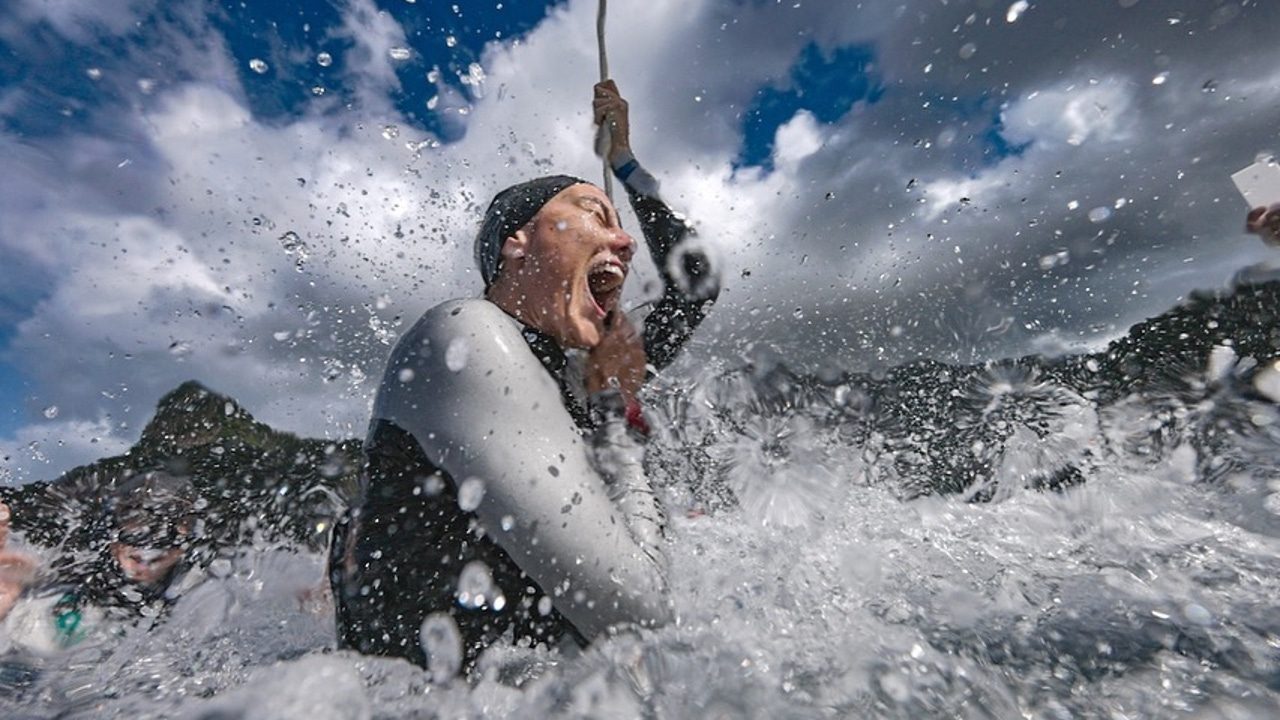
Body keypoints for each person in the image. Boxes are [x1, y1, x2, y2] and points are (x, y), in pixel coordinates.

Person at [330, 80, 719, 674]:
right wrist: (617, 442)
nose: (625, 240)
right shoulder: (466, 336)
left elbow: (696, 283)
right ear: (517, 242)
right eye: (594, 213)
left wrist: (628, 167)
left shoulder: (581, 370)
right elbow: (638, 619)